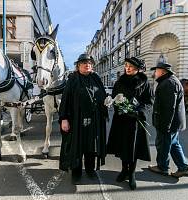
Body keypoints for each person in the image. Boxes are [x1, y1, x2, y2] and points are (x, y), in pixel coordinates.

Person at [58, 53, 108, 183]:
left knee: (91, 147)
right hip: (76, 120)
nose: (87, 65)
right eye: (84, 63)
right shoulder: (73, 79)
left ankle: (90, 170)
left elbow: (102, 96)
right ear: (78, 66)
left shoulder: (96, 78)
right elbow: (65, 100)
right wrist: (64, 118)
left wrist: (106, 103)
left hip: (94, 120)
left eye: (89, 63)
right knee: (77, 146)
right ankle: (76, 171)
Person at [106, 57, 154, 190]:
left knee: (133, 148)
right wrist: (120, 108)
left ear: (137, 69)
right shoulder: (119, 82)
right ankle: (123, 170)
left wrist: (139, 111)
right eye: (126, 65)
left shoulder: (144, 83)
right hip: (121, 119)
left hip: (135, 121)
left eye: (131, 66)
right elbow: (115, 98)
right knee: (122, 146)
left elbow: (149, 102)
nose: (127, 68)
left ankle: (132, 174)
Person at [148, 62, 188, 178]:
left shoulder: (168, 83)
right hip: (173, 122)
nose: (155, 73)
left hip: (168, 123)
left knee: (163, 145)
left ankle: (162, 167)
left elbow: (169, 107)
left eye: (156, 71)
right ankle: (183, 168)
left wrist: (166, 125)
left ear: (163, 71)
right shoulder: (170, 81)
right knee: (174, 144)